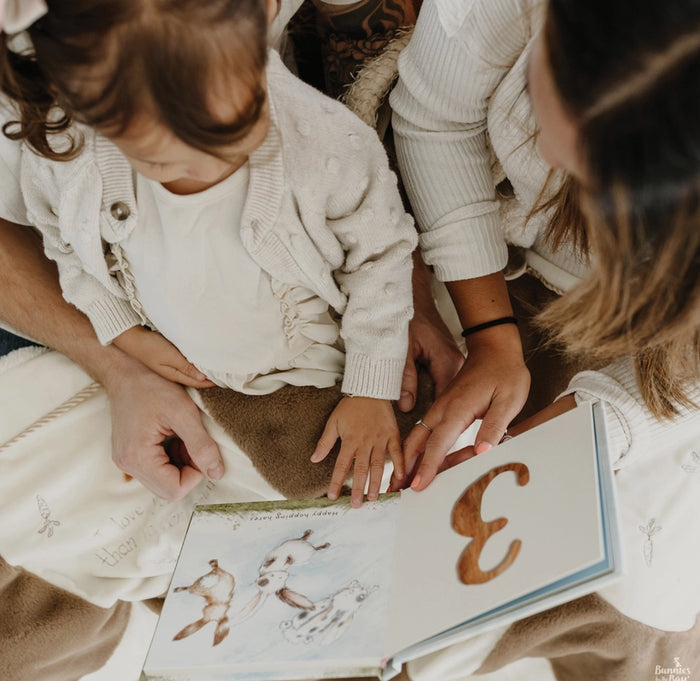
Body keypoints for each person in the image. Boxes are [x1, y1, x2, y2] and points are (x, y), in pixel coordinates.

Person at [0, 0, 417, 508]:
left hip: (314, 358)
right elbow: (61, 243)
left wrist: (371, 385)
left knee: (359, 475)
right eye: (163, 160)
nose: (209, 168)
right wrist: (123, 334)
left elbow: (381, 257)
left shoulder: (324, 142)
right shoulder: (66, 151)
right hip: (179, 357)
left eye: (241, 128)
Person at [389, 0, 700, 490]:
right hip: (494, 249)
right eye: (537, 96)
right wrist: (490, 335)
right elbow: (437, 119)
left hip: (650, 328)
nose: (547, 154)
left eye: (595, 171)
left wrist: (598, 427)